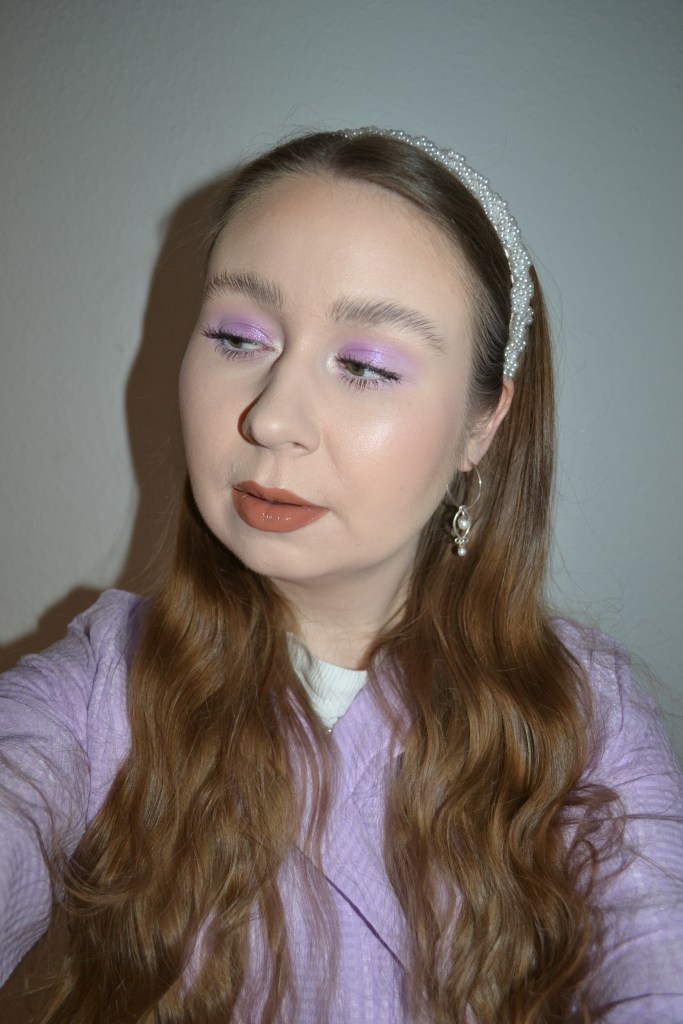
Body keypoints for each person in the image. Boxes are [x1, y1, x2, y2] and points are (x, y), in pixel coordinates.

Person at [1, 127, 682, 1024]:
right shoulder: (102, 686)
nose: (272, 418)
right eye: (237, 337)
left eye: (364, 365)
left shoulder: (583, 717)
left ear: (482, 425)